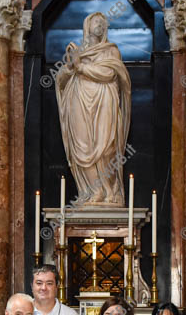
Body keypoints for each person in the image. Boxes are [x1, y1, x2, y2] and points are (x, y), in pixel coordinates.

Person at [55, 12, 132, 205]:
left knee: (106, 147)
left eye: (102, 23)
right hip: (78, 103)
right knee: (82, 148)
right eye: (96, 22)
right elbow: (61, 80)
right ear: (87, 25)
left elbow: (108, 73)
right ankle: (93, 191)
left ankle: (110, 192)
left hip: (104, 102)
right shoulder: (77, 51)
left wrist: (81, 68)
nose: (99, 25)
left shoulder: (110, 51)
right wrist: (71, 67)